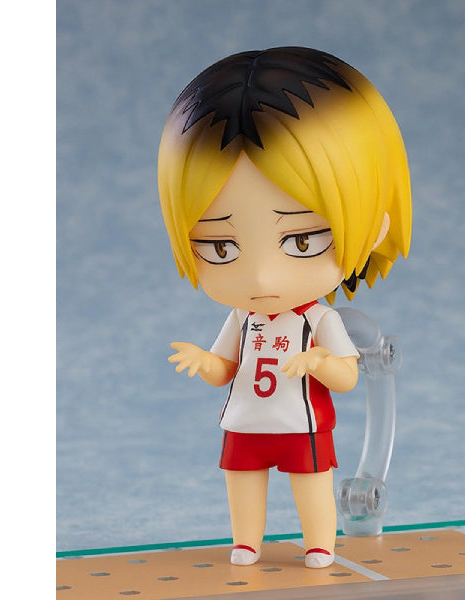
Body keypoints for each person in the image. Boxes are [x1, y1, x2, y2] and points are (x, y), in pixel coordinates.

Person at [158, 46, 411, 568]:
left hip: (302, 422)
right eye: (221, 247)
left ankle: (319, 542)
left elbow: (347, 376)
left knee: (310, 481)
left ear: (372, 226)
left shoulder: (318, 319)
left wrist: (319, 361)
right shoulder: (241, 317)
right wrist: (205, 362)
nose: (261, 278)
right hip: (245, 420)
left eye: (302, 241)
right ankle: (246, 542)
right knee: (241, 480)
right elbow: (224, 369)